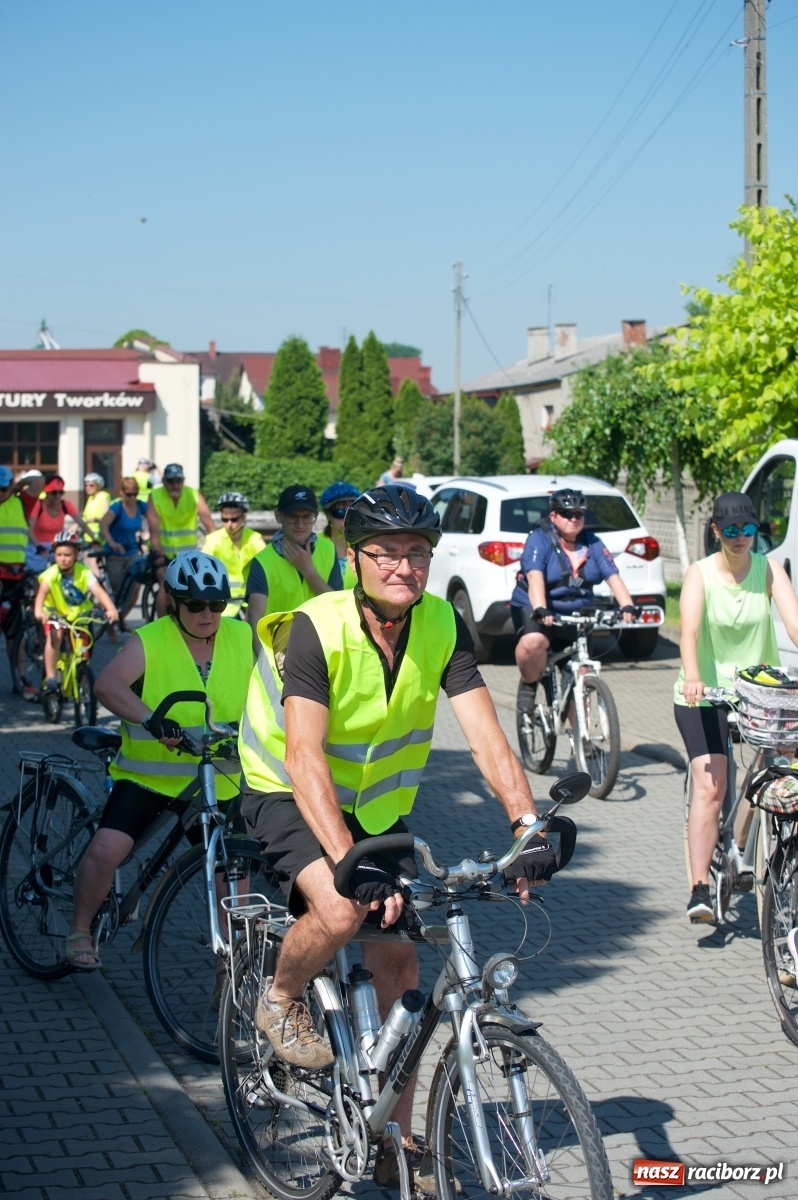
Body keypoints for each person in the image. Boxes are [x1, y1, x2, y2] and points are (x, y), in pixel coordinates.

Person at [238, 484, 555, 1192]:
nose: (403, 567)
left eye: (418, 553)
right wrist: (348, 862)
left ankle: (394, 1139)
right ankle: (281, 997)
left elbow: (486, 738)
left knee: (404, 971)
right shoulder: (315, 628)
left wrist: (526, 824)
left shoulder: (442, 626)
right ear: (355, 557)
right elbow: (304, 758)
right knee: (343, 908)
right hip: (282, 787)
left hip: (376, 807)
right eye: (386, 552)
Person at [65, 552, 253, 970]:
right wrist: (150, 719)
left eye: (216, 605)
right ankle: (79, 928)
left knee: (231, 870)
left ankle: (235, 963)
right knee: (107, 848)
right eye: (195, 605)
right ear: (172, 601)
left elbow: (271, 696)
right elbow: (109, 685)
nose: (208, 614)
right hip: (149, 777)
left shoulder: (243, 636)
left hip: (214, 778)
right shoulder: (150, 639)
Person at [675, 491, 798, 923]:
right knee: (712, 784)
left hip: (759, 694)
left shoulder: (769, 570)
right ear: (716, 532)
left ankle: (742, 844)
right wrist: (693, 675)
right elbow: (687, 631)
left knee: (780, 769)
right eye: (731, 530)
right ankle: (699, 888)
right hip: (704, 694)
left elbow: (795, 622)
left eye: (748, 529)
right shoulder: (699, 573)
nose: (741, 537)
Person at [511, 487, 637, 711]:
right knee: (534, 643)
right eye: (566, 514)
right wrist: (541, 608)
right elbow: (534, 576)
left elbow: (613, 576)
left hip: (577, 613)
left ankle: (582, 741)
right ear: (553, 516)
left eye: (579, 514)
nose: (573, 519)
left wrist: (627, 605)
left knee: (580, 674)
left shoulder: (593, 543)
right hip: (537, 608)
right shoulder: (539, 539)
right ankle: (529, 683)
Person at [245, 485, 341, 637]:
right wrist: (265, 660)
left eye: (307, 517)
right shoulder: (261, 561)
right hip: (279, 652)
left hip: (323, 646)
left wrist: (309, 572)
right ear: (278, 516)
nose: (300, 524)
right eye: (292, 517)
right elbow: (254, 618)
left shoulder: (328, 549)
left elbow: (338, 606)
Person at [33, 531, 119, 693]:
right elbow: (42, 593)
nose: (63, 559)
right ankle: (51, 677)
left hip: (79, 617)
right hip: (56, 615)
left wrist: (110, 608)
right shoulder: (51, 573)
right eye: (59, 554)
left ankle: (81, 674)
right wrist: (39, 611)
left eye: (67, 554)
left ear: (77, 554)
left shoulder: (84, 572)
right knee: (55, 637)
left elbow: (99, 592)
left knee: (83, 649)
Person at [147, 463, 215, 616]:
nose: (175, 485)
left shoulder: (193, 494)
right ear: (164, 481)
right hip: (163, 554)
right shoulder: (155, 496)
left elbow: (209, 524)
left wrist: (217, 547)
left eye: (178, 481)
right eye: (171, 481)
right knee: (165, 582)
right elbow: (154, 530)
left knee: (200, 585)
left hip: (189, 556)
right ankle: (161, 626)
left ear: (183, 481)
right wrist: (158, 554)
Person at [201, 492, 266, 618]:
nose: (229, 524)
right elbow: (202, 573)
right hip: (224, 605)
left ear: (243, 518)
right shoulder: (213, 540)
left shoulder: (254, 539)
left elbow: (268, 567)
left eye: (234, 519)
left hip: (252, 602)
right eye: (225, 519)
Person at [98, 476, 149, 611]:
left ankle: (122, 618)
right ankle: (110, 625)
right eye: (129, 494)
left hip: (132, 551)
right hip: (115, 554)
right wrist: (112, 542)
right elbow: (103, 525)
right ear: (122, 493)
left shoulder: (140, 505)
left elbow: (156, 518)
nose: (132, 498)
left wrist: (150, 535)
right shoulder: (117, 507)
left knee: (136, 586)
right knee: (115, 590)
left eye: (135, 494)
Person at [25, 474, 94, 574]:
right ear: (46, 493)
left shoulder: (65, 505)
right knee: (39, 577)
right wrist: (38, 546)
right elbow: (29, 529)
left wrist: (94, 539)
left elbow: (82, 523)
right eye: (54, 493)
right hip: (38, 547)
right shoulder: (38, 505)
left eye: (60, 493)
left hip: (56, 546)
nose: (57, 496)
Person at [319, 481, 360, 586]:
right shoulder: (313, 545)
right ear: (327, 515)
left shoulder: (368, 544)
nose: (347, 518)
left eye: (352, 512)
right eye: (339, 513)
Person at [82, 473, 112, 541]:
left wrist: (96, 519)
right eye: (86, 485)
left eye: (91, 485)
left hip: (99, 535)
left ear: (98, 486)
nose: (88, 488)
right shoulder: (90, 498)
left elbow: (107, 516)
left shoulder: (103, 496)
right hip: (88, 535)